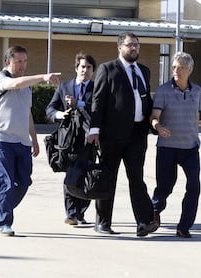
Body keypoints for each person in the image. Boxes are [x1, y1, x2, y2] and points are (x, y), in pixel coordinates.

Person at [87, 31, 158, 237]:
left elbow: (145, 99)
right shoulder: (108, 69)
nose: (134, 48)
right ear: (120, 47)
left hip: (137, 134)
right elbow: (98, 101)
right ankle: (103, 222)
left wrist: (153, 122)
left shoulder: (144, 71)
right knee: (108, 178)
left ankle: (144, 222)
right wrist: (94, 129)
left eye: (136, 44)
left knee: (137, 178)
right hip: (113, 135)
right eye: (129, 45)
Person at [0, 45, 60, 236]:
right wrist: (43, 77)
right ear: (8, 62)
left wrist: (34, 139)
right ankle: (4, 222)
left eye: (25, 61)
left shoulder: (26, 87)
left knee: (24, 183)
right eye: (18, 61)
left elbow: (26, 113)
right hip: (0, 139)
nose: (22, 65)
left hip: (22, 142)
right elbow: (14, 84)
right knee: (7, 182)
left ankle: (0, 203)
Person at [150, 51, 201, 238]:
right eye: (174, 67)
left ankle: (184, 226)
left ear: (190, 70)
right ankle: (154, 213)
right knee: (165, 187)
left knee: (194, 186)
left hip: (190, 148)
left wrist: (195, 135)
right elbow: (154, 116)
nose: (176, 70)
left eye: (180, 67)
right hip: (167, 147)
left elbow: (196, 116)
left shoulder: (197, 91)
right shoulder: (163, 90)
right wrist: (158, 126)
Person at [46, 52, 97, 226]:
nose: (85, 70)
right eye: (82, 67)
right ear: (76, 68)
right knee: (71, 174)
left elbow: (99, 108)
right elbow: (50, 109)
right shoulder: (64, 87)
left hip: (89, 139)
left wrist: (79, 104)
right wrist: (61, 114)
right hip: (68, 139)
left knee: (88, 174)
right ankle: (71, 213)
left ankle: (81, 211)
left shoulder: (96, 88)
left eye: (89, 67)